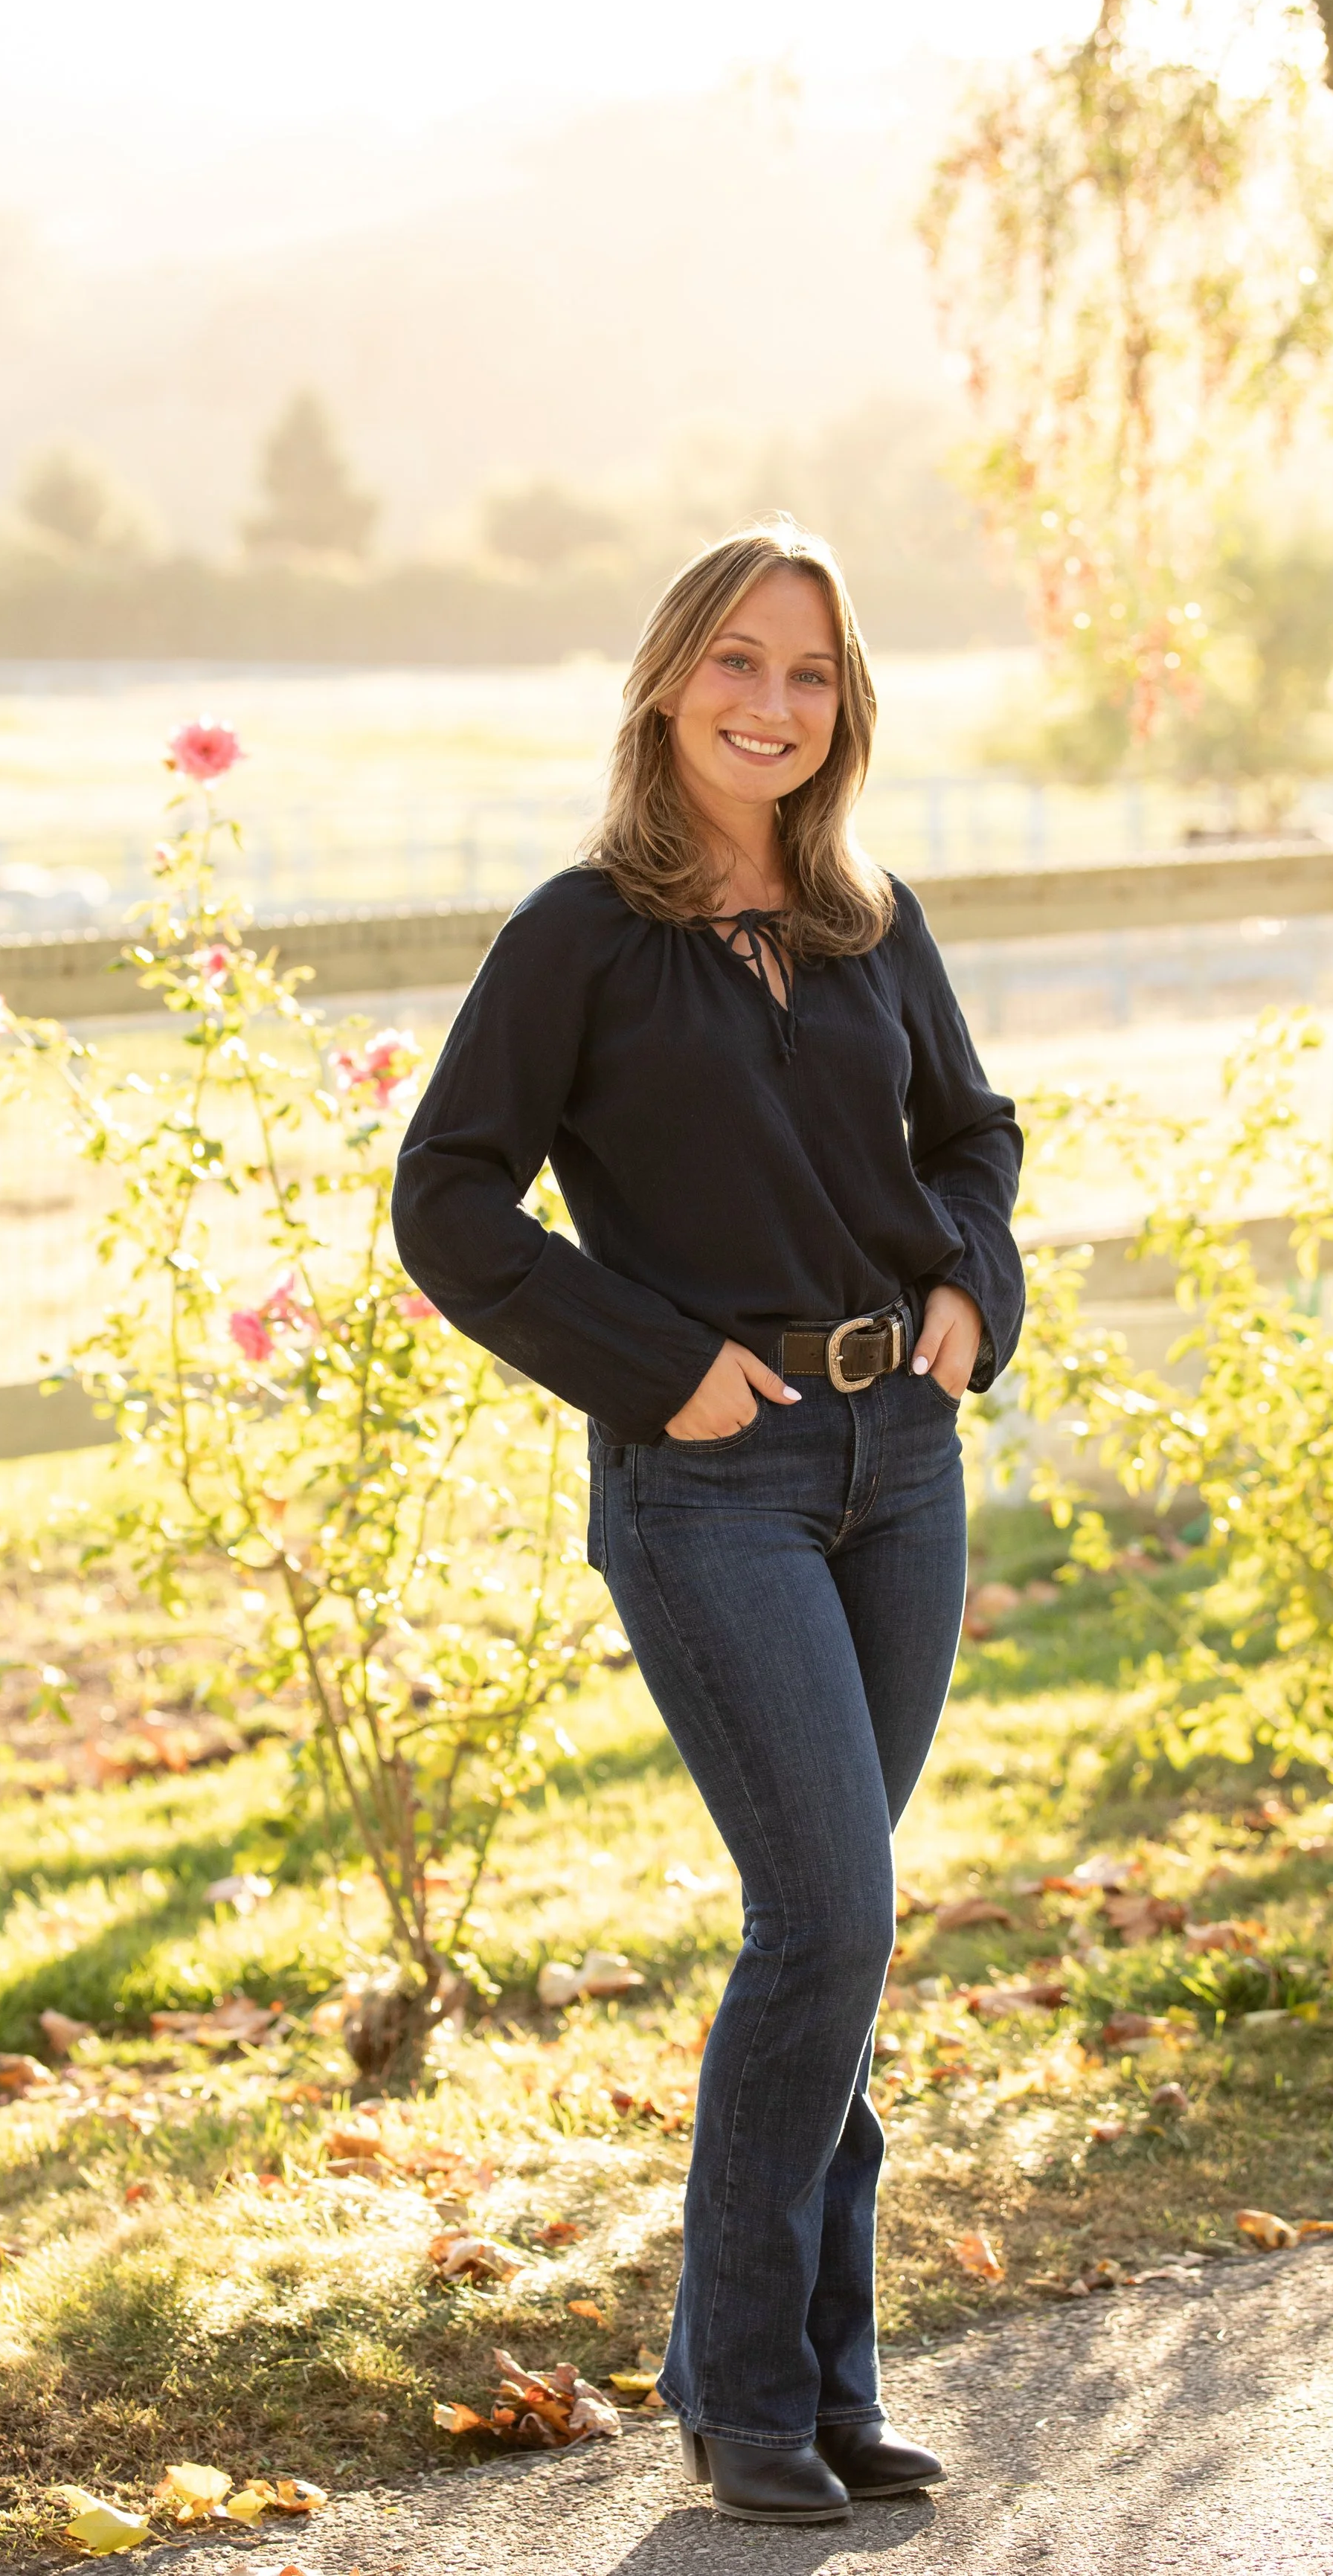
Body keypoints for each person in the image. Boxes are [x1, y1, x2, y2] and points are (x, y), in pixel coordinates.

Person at [393, 517, 1024, 2527]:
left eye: (813, 673)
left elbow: (973, 1137)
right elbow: (451, 1199)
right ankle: (746, 2385)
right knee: (827, 1914)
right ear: (669, 679)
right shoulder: (582, 932)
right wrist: (652, 1363)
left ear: (847, 706)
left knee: (834, 1936)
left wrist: (968, 1294)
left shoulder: (863, 915)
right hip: (710, 1479)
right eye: (737, 662)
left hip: (898, 1468)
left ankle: (816, 2384)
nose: (773, 702)